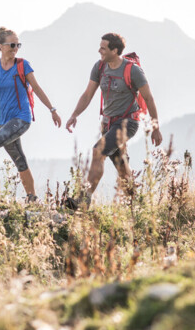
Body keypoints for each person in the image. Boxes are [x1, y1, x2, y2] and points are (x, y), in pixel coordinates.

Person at [65, 32, 162, 206]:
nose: (99, 50)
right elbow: (88, 94)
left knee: (98, 151)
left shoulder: (132, 70)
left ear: (115, 50)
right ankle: (137, 205)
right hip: (108, 123)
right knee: (122, 168)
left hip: (128, 122)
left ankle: (83, 199)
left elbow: (149, 98)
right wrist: (74, 115)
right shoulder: (100, 67)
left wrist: (155, 127)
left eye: (103, 48)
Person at [0, 27, 61, 201]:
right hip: (2, 121)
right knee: (19, 159)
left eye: (18, 44)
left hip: (21, 118)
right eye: (12, 44)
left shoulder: (22, 65)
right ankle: (32, 198)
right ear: (1, 46)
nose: (15, 48)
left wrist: (52, 110)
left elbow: (37, 88)